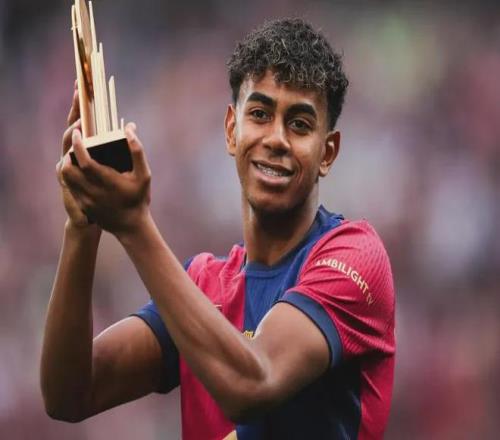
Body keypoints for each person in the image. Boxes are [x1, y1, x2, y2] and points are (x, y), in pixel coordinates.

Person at [41, 18, 395, 440]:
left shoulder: (355, 256)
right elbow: (69, 394)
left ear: (328, 152)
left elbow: (252, 384)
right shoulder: (202, 285)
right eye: (260, 114)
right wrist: (82, 225)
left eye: (299, 124)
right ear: (231, 130)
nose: (276, 139)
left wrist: (134, 224)